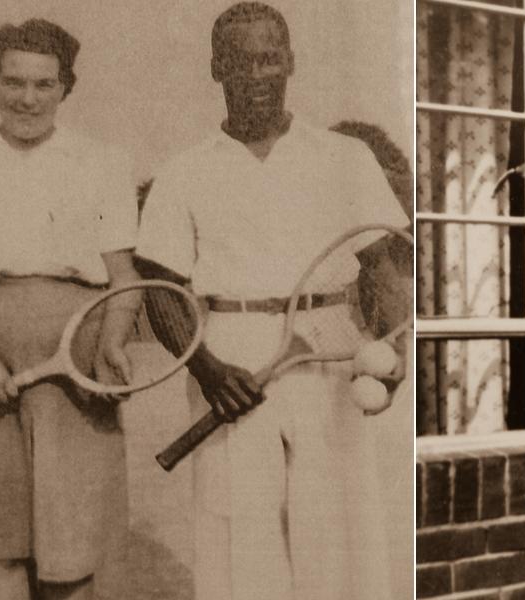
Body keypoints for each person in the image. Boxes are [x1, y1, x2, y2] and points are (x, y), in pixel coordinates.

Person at [133, 3, 410, 600]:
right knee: (242, 538)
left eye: (269, 59)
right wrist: (206, 369)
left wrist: (396, 349)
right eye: (240, 61)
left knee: (338, 531)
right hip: (228, 350)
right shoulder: (183, 172)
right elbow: (161, 289)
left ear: (291, 62)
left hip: (331, 347)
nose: (257, 76)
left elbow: (382, 265)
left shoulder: (345, 157)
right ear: (215, 68)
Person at [0, 19, 139, 600]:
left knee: (71, 554)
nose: (28, 99)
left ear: (66, 87)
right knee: (1, 547)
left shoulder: (104, 162)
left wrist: (112, 345)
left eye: (44, 85)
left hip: (75, 366)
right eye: (13, 82)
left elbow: (125, 279)